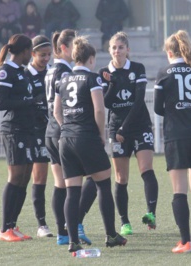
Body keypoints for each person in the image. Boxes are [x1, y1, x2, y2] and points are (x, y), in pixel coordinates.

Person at [53, 36, 127, 253]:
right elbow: (99, 109)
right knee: (103, 184)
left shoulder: (63, 80)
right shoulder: (93, 79)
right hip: (87, 136)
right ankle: (111, 234)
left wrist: (67, 127)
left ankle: (72, 240)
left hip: (65, 139)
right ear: (91, 59)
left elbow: (56, 111)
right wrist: (100, 133)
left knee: (72, 190)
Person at [99, 31, 159, 236]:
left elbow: (139, 100)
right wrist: (112, 84)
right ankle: (125, 222)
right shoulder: (104, 72)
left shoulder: (137, 69)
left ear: (128, 50)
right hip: (116, 130)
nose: (117, 51)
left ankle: (151, 213)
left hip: (139, 125)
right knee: (121, 177)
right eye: (114, 48)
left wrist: (125, 128)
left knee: (146, 169)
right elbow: (106, 103)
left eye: (121, 47)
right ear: (109, 50)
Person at [154, 30, 191, 253]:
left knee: (179, 191)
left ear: (169, 52)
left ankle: (185, 241)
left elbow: (158, 108)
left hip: (177, 135)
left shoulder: (164, 73)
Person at [45, 29, 96, 246]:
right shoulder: (66, 73)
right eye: (74, 45)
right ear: (64, 48)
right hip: (66, 131)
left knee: (61, 185)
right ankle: (76, 224)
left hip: (51, 130)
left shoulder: (50, 70)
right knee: (95, 177)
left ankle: (62, 233)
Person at [0, 34, 38, 242]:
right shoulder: (6, 72)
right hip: (13, 129)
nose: (31, 55)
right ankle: (5, 229)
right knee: (15, 176)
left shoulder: (22, 72)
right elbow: (2, 102)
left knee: (25, 176)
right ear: (24, 51)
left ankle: (13, 224)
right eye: (30, 51)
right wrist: (28, 100)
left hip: (27, 129)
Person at [24, 35, 53, 238]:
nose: (46, 58)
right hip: (36, 131)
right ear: (32, 54)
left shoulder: (52, 73)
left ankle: (69, 222)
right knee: (40, 176)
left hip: (56, 129)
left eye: (49, 55)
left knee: (64, 176)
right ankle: (42, 224)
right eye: (42, 55)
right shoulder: (25, 75)